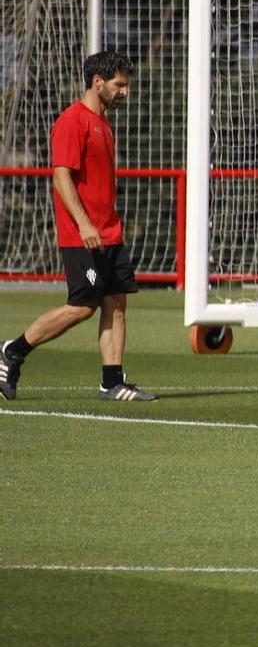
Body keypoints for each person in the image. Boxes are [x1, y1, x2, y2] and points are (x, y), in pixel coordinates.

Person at [0, 50, 154, 403]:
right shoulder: (73, 121)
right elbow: (61, 178)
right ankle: (13, 350)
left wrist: (112, 223)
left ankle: (112, 382)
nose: (124, 92)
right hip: (83, 235)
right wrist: (85, 224)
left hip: (108, 232)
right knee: (83, 306)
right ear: (97, 82)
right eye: (119, 85)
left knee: (116, 302)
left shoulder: (104, 125)